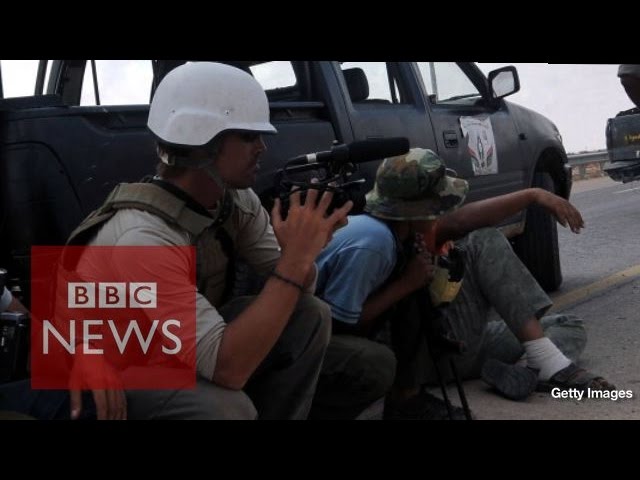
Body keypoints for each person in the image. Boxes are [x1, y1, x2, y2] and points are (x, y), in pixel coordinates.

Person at [1, 62, 351, 420]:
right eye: (248, 136)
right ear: (204, 143)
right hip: (118, 365)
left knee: (310, 314)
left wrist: (302, 253)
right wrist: (295, 260)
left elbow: (300, 289)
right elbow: (229, 369)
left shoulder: (233, 201)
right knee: (228, 410)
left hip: (173, 342)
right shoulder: (142, 237)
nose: (262, 147)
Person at [310, 148, 615, 420]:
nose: (444, 211)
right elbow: (340, 324)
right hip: (406, 354)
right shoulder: (375, 240)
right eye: (439, 204)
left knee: (567, 325)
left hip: (449, 343)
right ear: (417, 209)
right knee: (484, 240)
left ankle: (535, 363)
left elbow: (460, 222)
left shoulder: (401, 226)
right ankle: (542, 363)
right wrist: (408, 283)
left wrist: (533, 195)